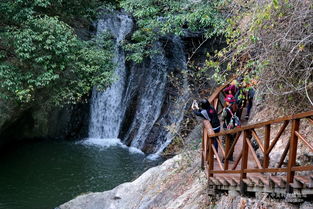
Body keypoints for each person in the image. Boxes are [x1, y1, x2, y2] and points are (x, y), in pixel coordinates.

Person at [221, 94, 238, 161]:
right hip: (234, 128)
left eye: (227, 101)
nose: (226, 102)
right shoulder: (236, 108)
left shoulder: (226, 110)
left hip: (227, 128)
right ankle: (230, 156)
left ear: (228, 102)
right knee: (232, 142)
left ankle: (225, 158)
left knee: (224, 142)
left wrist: (223, 111)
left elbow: (222, 118)